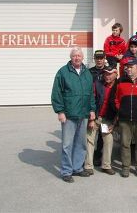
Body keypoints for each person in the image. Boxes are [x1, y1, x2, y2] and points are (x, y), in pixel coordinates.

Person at [51, 46, 96, 183]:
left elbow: (91, 94)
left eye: (79, 56)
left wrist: (92, 110)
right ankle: (66, 171)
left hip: (83, 114)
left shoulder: (87, 73)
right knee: (67, 144)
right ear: (71, 57)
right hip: (69, 115)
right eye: (74, 55)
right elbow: (56, 93)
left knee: (80, 143)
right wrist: (60, 111)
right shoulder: (63, 72)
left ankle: (77, 168)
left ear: (83, 57)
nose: (77, 58)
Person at [84, 66, 118, 175]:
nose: (107, 76)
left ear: (115, 74)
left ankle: (106, 165)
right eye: (105, 74)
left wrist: (114, 123)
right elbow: (91, 100)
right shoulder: (97, 84)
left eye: (109, 74)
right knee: (90, 140)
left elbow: (119, 106)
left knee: (109, 140)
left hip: (107, 120)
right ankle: (88, 166)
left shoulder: (119, 86)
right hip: (95, 117)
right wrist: (91, 118)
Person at [89, 49, 107, 165]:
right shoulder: (89, 72)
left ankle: (99, 155)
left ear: (105, 59)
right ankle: (88, 157)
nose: (99, 60)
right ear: (94, 59)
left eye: (101, 58)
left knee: (102, 134)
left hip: (104, 108)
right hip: (92, 107)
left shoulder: (108, 71)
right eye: (97, 58)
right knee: (90, 134)